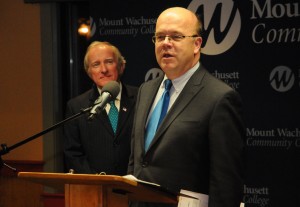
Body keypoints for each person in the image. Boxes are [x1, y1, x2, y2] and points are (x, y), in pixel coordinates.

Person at [128, 7, 245, 207]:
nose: (166, 43)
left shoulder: (219, 98)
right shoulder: (146, 91)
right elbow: (136, 160)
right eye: (160, 37)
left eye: (175, 36)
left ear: (197, 44)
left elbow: (226, 185)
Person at [64, 41, 138, 175]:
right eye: (96, 64)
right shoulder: (76, 107)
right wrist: (96, 180)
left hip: (135, 188)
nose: (104, 69)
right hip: (94, 189)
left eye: (109, 62)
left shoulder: (141, 98)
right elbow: (73, 153)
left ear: (121, 66)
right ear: (89, 72)